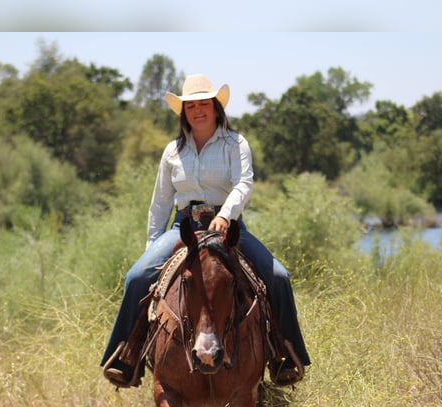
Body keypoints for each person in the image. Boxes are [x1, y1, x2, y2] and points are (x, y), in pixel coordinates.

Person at [100, 74, 310, 388]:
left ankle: (283, 356)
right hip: (184, 226)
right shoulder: (173, 151)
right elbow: (160, 202)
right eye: (190, 106)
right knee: (136, 277)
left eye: (203, 104)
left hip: (229, 229)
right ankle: (126, 357)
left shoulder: (235, 143)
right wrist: (152, 246)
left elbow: (244, 183)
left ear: (215, 108)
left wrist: (226, 216)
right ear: (183, 112)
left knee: (278, 277)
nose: (197, 110)